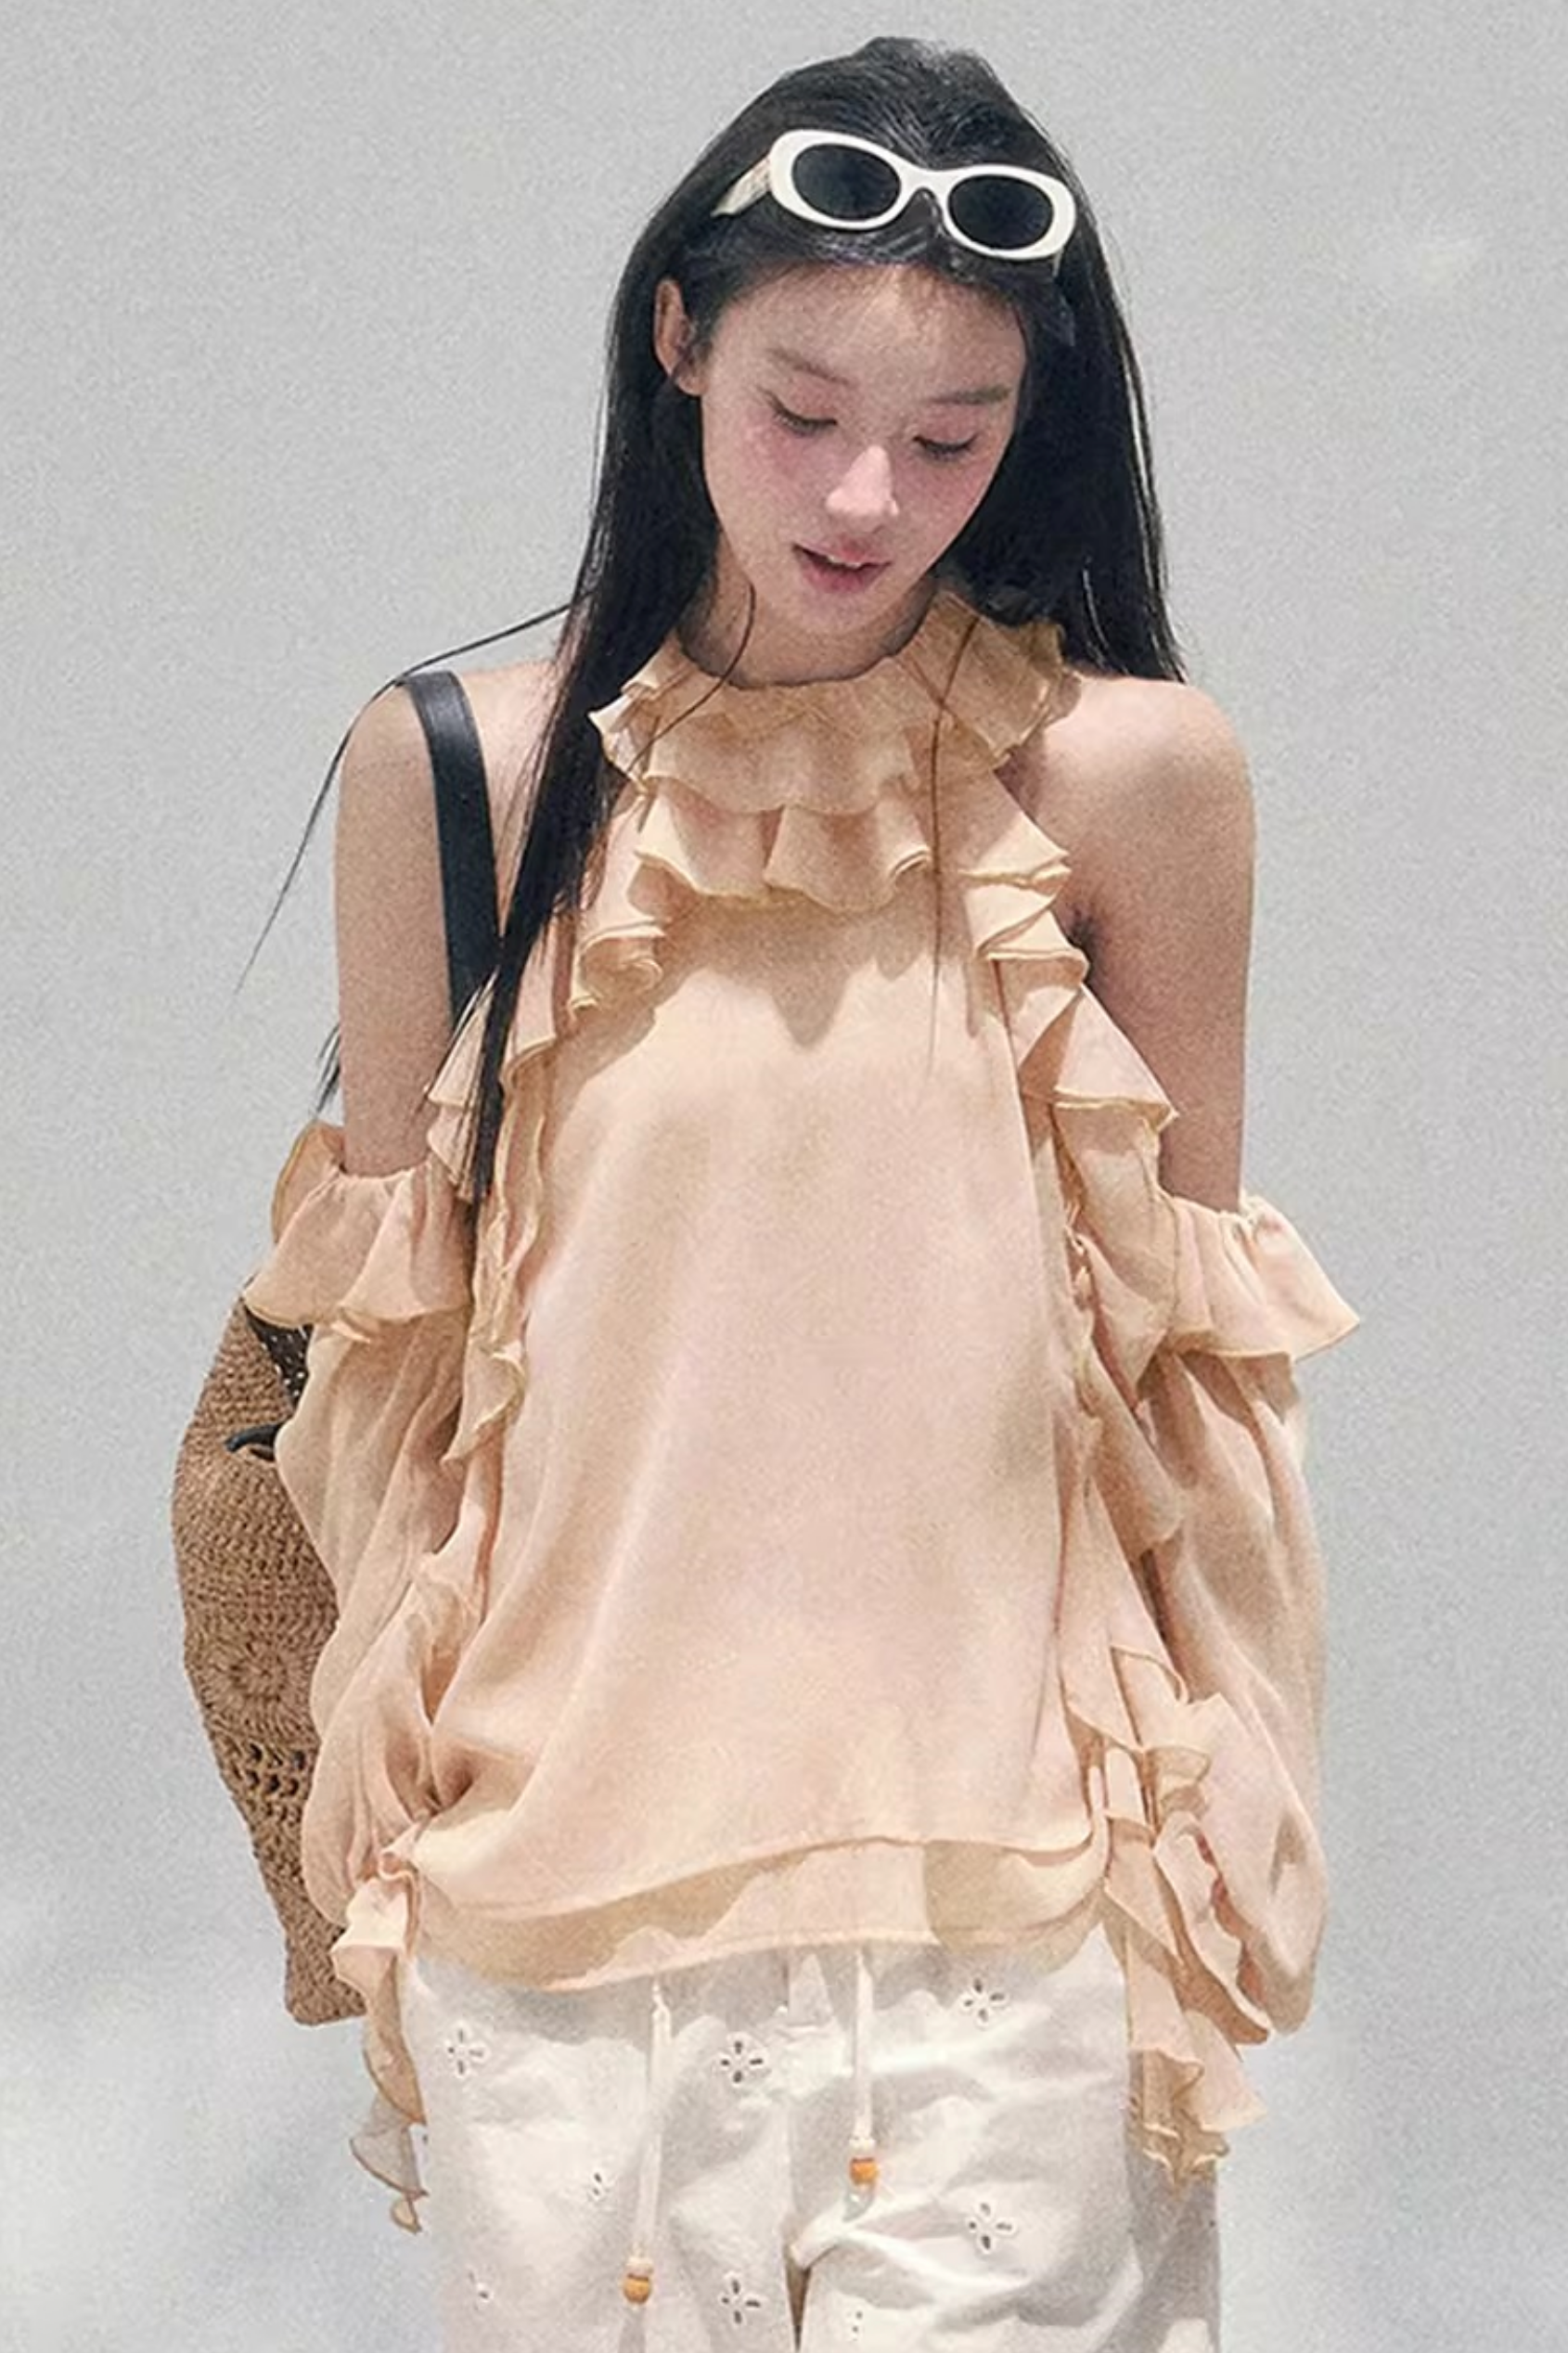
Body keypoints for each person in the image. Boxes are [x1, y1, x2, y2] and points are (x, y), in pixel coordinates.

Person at [240, 33, 1359, 2351]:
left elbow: (1190, 1390)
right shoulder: (457, 774)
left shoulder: (1129, 782)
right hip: (553, 1918)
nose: (866, 491)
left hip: (1008, 1909)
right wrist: (401, 1831)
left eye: (949, 437)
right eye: (804, 407)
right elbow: (388, 1392)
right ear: (678, 337)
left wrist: (1219, 1819)